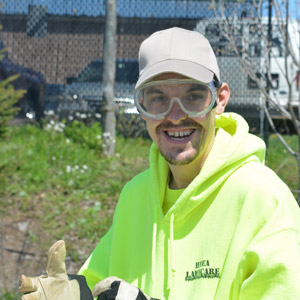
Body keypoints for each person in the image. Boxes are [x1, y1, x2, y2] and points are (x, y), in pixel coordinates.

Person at [20, 27, 300, 300]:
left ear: (219, 100)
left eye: (193, 97)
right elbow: (98, 285)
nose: (176, 115)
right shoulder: (135, 196)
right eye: (157, 99)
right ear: (141, 107)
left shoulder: (264, 201)